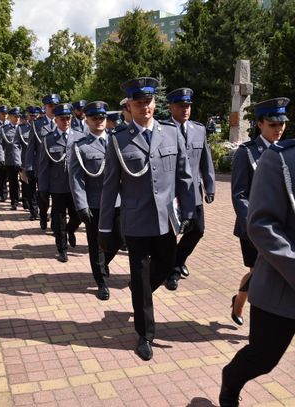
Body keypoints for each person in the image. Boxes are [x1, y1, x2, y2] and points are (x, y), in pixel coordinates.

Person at [219, 68, 295, 407]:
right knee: (262, 359)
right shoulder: (282, 158)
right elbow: (262, 226)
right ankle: (231, 381)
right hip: (284, 287)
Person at [98, 77, 195, 361]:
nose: (145, 107)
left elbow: (184, 175)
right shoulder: (118, 140)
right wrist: (105, 228)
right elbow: (109, 187)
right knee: (141, 279)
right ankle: (145, 334)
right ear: (129, 105)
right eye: (139, 103)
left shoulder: (170, 133)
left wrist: (189, 210)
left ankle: (140, 292)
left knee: (166, 267)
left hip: (166, 220)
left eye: (149, 102)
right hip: (137, 222)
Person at [229, 97, 289, 326]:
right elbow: (239, 194)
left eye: (282, 124)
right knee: (260, 272)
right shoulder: (247, 153)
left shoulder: (286, 150)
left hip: (280, 225)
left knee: (263, 273)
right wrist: (252, 224)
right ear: (260, 124)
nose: (279, 129)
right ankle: (254, 316)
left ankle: (239, 300)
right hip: (252, 226)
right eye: (273, 125)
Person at [164, 88, 215, 291]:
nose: (185, 109)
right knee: (170, 235)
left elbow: (206, 160)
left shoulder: (198, 129)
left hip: (193, 193)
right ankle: (171, 272)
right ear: (171, 107)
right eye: (180, 106)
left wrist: (210, 186)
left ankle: (176, 261)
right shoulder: (164, 130)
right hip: (171, 194)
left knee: (198, 230)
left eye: (188, 106)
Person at [69, 101, 122, 300]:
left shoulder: (117, 141)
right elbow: (76, 179)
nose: (99, 121)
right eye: (94, 118)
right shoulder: (80, 146)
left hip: (117, 201)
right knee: (96, 244)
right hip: (94, 203)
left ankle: (103, 263)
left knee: (120, 238)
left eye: (102, 118)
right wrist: (81, 206)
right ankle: (101, 282)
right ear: (87, 120)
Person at [37, 103, 83, 263]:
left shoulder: (78, 136)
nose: (66, 122)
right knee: (59, 219)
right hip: (57, 186)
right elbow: (43, 166)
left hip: (76, 186)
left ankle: (71, 230)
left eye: (68, 118)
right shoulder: (48, 139)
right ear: (56, 120)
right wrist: (43, 188)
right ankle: (62, 249)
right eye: (62, 119)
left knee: (78, 216)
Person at [25, 94, 61, 230]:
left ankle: (55, 222)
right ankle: (43, 214)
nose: (53, 109)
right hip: (42, 167)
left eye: (55, 106)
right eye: (50, 106)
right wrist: (28, 166)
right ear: (45, 107)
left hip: (58, 166)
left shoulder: (62, 122)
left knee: (57, 197)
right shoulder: (37, 124)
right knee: (43, 195)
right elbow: (30, 147)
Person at [16, 106, 40, 218]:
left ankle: (42, 210)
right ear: (28, 116)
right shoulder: (22, 129)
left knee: (43, 189)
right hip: (27, 162)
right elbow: (16, 145)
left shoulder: (42, 127)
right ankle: (33, 211)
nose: (34, 118)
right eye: (31, 116)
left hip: (41, 163)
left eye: (36, 115)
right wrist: (18, 161)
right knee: (30, 189)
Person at [0, 107, 22, 210]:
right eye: (15, 117)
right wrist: (1, 157)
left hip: (22, 159)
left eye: (18, 117)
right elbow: (0, 144)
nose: (17, 119)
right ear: (11, 117)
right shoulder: (4, 129)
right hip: (10, 159)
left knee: (25, 182)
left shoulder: (24, 128)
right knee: (13, 182)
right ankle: (14, 201)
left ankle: (26, 201)